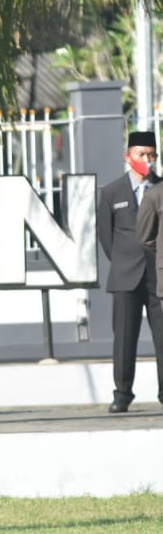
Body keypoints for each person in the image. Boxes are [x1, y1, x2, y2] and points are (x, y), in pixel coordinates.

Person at [106, 130, 163, 412]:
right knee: (124, 340)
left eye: (151, 155)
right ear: (128, 157)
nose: (146, 160)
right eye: (141, 154)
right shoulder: (112, 192)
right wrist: (122, 261)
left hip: (158, 276)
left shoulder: (161, 189)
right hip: (125, 275)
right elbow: (106, 237)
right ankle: (122, 394)